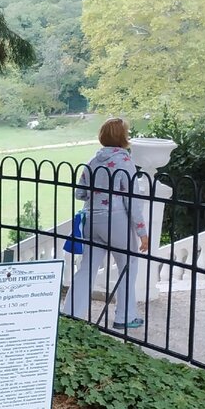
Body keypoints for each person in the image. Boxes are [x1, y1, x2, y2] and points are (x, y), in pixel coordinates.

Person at [61, 118, 150, 329]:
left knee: (87, 268)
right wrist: (142, 232)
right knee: (128, 264)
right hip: (116, 218)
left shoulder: (93, 161)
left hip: (91, 219)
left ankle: (71, 315)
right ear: (123, 137)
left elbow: (80, 193)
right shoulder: (124, 161)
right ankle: (124, 316)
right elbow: (132, 200)